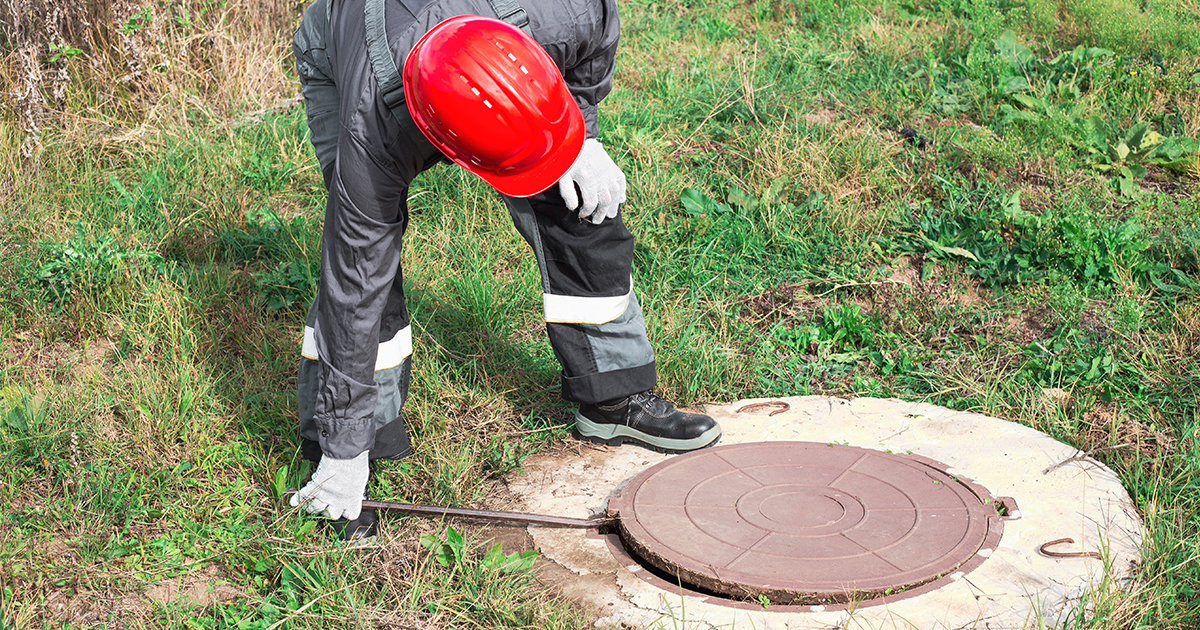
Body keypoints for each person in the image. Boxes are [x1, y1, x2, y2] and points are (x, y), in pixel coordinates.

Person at [288, 0, 721, 540]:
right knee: (370, 269)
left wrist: (577, 133)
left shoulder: (572, 12)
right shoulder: (372, 121)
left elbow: (594, 49)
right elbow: (355, 277)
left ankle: (613, 396)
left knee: (576, 201)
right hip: (351, 56)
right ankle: (347, 448)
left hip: (504, 59)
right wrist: (343, 450)